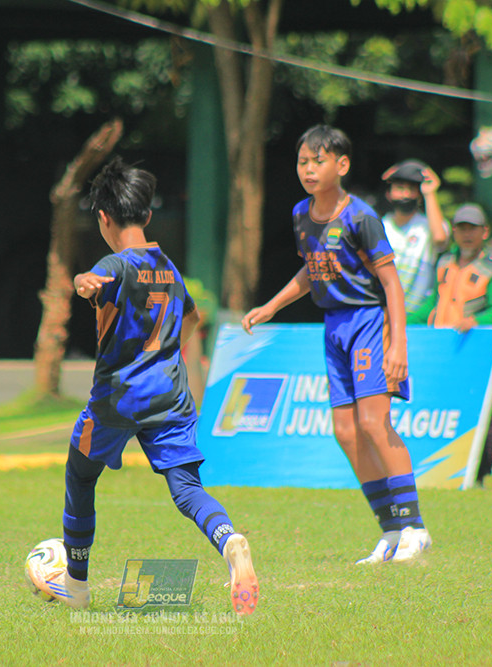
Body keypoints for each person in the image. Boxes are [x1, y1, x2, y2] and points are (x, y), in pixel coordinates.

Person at [34, 156, 259, 614]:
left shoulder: (114, 263)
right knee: (186, 487)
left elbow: (98, 280)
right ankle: (229, 539)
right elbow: (191, 318)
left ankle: (76, 584)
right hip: (170, 396)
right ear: (148, 215)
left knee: (80, 475)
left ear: (103, 217)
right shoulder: (168, 267)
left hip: (119, 398)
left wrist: (83, 281)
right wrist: (162, 354)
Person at [241, 125, 431, 565]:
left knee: (374, 423)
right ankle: (390, 530)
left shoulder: (361, 217)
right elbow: (313, 270)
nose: (308, 169)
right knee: (344, 431)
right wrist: (271, 306)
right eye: (302, 162)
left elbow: (392, 283)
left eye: (318, 161)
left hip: (368, 322)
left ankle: (415, 528)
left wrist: (398, 346)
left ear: (341, 165)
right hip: (333, 328)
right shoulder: (300, 214)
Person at [408, 203, 492, 485]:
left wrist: (475, 321)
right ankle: (438, 471)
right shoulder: (443, 263)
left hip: (475, 350)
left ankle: (479, 474)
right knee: (442, 407)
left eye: (472, 229)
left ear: (484, 232)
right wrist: (404, 320)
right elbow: (433, 304)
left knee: (481, 410)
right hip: (442, 350)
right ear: (454, 231)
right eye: (462, 228)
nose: (467, 234)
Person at [380, 159, 450, 316]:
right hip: (385, 314)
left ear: (419, 196)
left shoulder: (427, 225)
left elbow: (440, 238)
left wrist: (430, 193)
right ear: (388, 194)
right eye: (399, 188)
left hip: (418, 316)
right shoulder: (381, 226)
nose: (405, 194)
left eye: (411, 189)